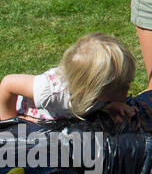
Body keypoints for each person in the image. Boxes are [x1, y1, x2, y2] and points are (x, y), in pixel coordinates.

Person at [0, 33, 135, 121]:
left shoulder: (93, 91)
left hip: (62, 118)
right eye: (122, 87)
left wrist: (111, 105)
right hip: (28, 114)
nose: (129, 86)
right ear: (90, 89)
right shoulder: (50, 92)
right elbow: (8, 84)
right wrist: (11, 122)